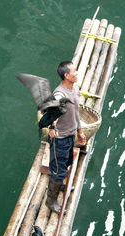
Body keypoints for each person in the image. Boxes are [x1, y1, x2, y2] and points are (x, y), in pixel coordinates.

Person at [46, 61, 87, 213]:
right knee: (58, 170)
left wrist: (80, 131)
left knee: (66, 163)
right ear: (66, 75)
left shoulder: (75, 89)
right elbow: (52, 112)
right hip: (60, 138)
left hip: (70, 135)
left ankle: (59, 185)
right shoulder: (59, 94)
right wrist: (52, 126)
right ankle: (50, 202)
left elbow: (76, 112)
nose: (77, 73)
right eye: (74, 71)